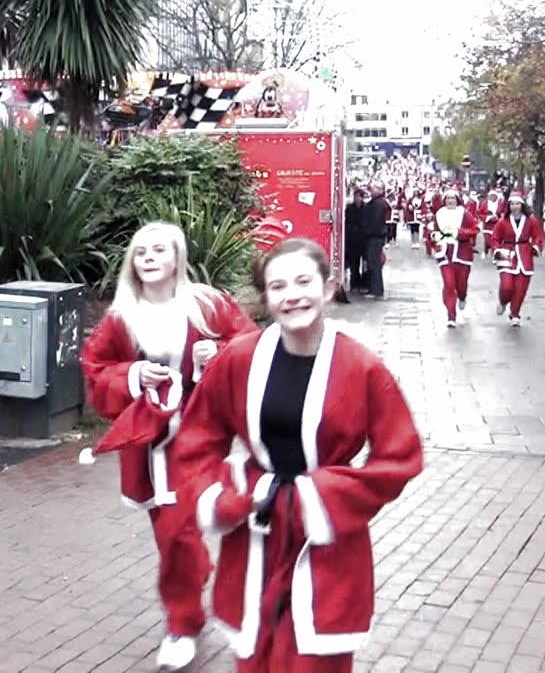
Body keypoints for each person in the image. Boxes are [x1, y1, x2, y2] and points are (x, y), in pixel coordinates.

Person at [173, 238, 424, 673]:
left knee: (312, 662)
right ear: (267, 300)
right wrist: (220, 498)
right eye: (278, 286)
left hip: (325, 539)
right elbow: (196, 439)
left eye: (303, 281)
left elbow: (400, 456)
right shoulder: (239, 360)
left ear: (328, 288)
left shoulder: (361, 367)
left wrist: (322, 496)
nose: (292, 295)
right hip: (255, 527)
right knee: (254, 657)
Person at [81, 221, 258, 671]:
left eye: (159, 250)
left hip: (200, 440)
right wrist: (135, 377)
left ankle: (182, 621)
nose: (149, 258)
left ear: (177, 258)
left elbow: (250, 343)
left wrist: (216, 353)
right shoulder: (122, 317)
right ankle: (192, 592)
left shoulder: (207, 305)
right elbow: (96, 368)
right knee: (171, 536)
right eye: (141, 252)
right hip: (147, 447)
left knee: (180, 531)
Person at [490, 192, 545, 327]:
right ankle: (503, 301)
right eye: (512, 204)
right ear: (508, 206)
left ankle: (515, 313)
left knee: (520, 289)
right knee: (506, 285)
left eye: (517, 204)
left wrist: (536, 247)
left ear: (522, 205)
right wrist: (496, 249)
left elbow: (538, 236)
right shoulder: (503, 221)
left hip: (524, 254)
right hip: (507, 253)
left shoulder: (531, 221)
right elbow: (495, 238)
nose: (515, 207)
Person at [429, 189, 480, 327]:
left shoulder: (464, 213)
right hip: (445, 252)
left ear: (457, 200)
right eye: (447, 198)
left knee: (461, 285)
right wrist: (434, 236)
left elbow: (475, 229)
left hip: (462, 253)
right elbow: (434, 231)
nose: (450, 201)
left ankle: (462, 297)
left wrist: (460, 233)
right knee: (449, 284)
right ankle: (451, 315)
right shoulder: (439, 214)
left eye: (453, 198)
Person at [358, 189, 388, 299]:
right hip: (374, 237)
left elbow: (374, 221)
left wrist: (366, 231)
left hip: (374, 237)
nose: (372, 191)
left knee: (374, 264)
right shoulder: (376, 203)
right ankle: (374, 288)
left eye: (375, 189)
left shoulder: (378, 204)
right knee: (372, 263)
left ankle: (376, 290)